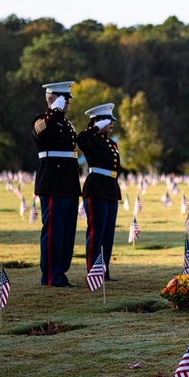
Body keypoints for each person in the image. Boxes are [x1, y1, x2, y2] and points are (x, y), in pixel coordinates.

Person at [33, 82, 81, 287]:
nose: (67, 102)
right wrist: (54, 112)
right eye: (64, 98)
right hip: (52, 182)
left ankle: (60, 273)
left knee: (67, 232)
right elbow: (41, 135)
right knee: (53, 231)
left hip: (68, 182)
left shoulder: (67, 124)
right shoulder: (42, 120)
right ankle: (50, 276)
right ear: (52, 98)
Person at [78, 103, 122, 281]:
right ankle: (93, 272)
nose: (111, 124)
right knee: (96, 232)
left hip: (110, 188)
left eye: (112, 120)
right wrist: (94, 127)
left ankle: (104, 271)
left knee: (108, 234)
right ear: (97, 122)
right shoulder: (91, 140)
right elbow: (80, 140)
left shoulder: (111, 143)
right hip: (96, 188)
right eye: (107, 121)